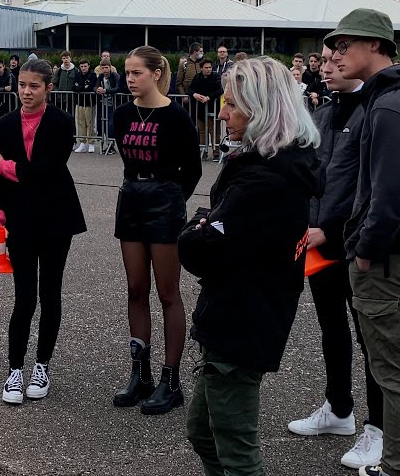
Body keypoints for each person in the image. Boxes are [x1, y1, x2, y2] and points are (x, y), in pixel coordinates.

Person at [181, 57, 321, 476]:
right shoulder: (265, 167)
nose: (222, 113)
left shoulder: (265, 179)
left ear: (262, 111)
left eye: (232, 105)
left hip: (243, 321)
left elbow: (197, 249)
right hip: (234, 314)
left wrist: (197, 229)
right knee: (203, 431)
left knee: (235, 448)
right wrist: (204, 226)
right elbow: (211, 229)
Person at [324, 8, 400, 476]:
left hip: (387, 258)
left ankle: (396, 466)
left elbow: (391, 194)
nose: (336, 54)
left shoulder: (389, 105)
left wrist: (365, 250)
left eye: (345, 44)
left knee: (393, 371)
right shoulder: (397, 97)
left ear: (375, 46)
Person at [288, 47, 384, 471]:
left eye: (333, 59)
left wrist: (331, 224)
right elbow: (315, 173)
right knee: (332, 327)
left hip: (354, 242)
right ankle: (339, 409)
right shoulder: (325, 112)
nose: (325, 67)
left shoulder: (377, 111)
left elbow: (368, 181)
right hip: (320, 242)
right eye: (322, 60)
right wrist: (310, 224)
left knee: (372, 340)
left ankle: (379, 430)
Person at [0, 58, 86, 404]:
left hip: (57, 218)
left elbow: (46, 171)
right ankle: (15, 370)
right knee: (24, 297)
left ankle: (42, 365)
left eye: (34, 86)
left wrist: (4, 165)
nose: (26, 92)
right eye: (22, 85)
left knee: (50, 295)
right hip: (20, 219)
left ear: (48, 88)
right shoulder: (5, 124)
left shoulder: (61, 122)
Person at [112, 46, 203, 415]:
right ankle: (141, 373)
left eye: (136, 73)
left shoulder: (177, 117)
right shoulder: (121, 115)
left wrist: (172, 198)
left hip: (165, 201)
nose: (130, 79)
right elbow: (126, 157)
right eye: (127, 72)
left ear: (155, 73)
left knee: (168, 293)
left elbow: (193, 169)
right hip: (131, 197)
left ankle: (171, 379)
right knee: (135, 288)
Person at [189, 60, 223, 155]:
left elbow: (220, 89)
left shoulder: (216, 77)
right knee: (202, 131)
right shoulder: (197, 77)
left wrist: (209, 97)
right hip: (200, 110)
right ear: (201, 68)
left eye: (210, 67)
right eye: (206, 67)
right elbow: (190, 89)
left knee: (215, 131)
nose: (208, 69)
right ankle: (203, 150)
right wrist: (194, 94)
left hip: (214, 109)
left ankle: (216, 151)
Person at [73, 59, 98, 153]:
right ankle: (82, 143)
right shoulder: (78, 74)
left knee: (90, 123)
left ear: (88, 66)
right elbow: (75, 87)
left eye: (85, 66)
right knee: (80, 123)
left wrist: (81, 88)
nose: (83, 68)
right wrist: (82, 87)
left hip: (89, 103)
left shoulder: (93, 75)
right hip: (79, 102)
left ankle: (91, 143)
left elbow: (91, 86)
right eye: (82, 66)